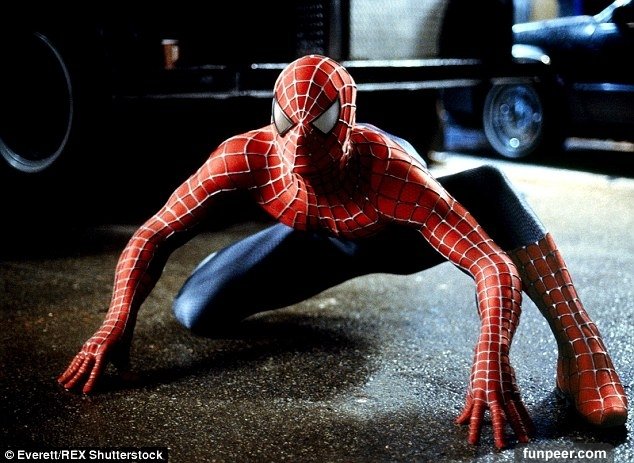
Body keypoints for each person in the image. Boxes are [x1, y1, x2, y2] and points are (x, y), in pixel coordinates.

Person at [58, 54, 627, 449]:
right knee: (195, 310)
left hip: (400, 237)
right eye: (289, 124)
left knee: (488, 188)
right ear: (273, 118)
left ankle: (582, 348)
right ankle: (229, 266)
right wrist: (115, 321)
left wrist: (490, 356)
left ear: (347, 123)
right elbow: (154, 233)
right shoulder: (247, 155)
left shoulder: (392, 172)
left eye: (321, 123)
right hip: (318, 240)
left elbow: (491, 264)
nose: (302, 141)